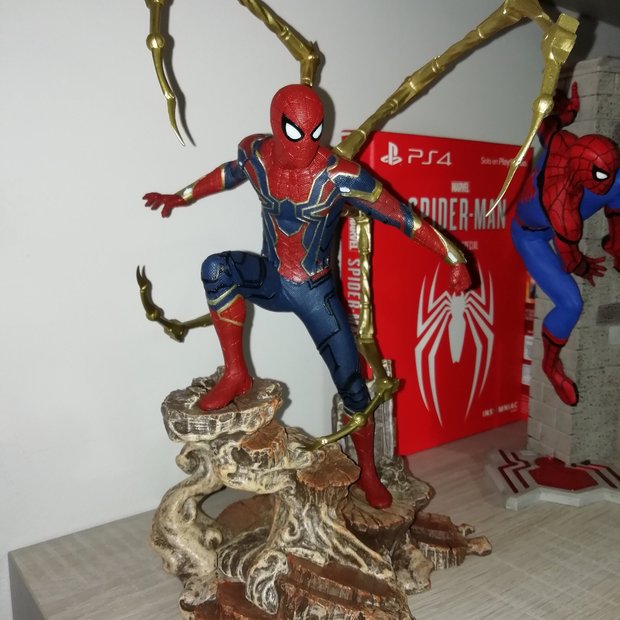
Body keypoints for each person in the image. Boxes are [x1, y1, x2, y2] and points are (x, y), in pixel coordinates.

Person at [144, 84, 471, 508]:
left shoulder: (341, 176)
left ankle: (367, 472)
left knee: (353, 386)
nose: (307, 145)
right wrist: (181, 196)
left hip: (317, 291)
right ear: (275, 124)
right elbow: (228, 173)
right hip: (272, 278)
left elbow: (401, 215)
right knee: (216, 269)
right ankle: (236, 373)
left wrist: (452, 256)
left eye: (316, 132)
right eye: (296, 133)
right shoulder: (256, 154)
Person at [512, 83, 620, 406]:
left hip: (562, 200)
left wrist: (566, 112)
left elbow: (547, 128)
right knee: (571, 303)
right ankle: (550, 364)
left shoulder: (564, 141)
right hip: (530, 234)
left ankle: (615, 243)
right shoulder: (564, 214)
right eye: (602, 176)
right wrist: (585, 266)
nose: (606, 183)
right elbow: (570, 262)